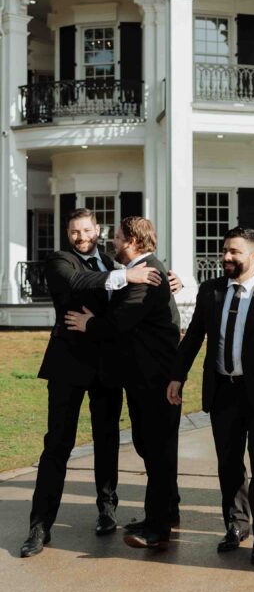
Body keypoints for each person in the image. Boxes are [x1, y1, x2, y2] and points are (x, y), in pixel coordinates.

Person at [19, 208, 175, 558]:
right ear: (68, 234)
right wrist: (126, 278)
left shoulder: (111, 261)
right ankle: (39, 525)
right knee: (58, 444)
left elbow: (131, 301)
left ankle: (107, 510)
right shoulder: (61, 261)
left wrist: (166, 280)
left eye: (87, 230)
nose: (81, 237)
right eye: (74, 231)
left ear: (98, 230)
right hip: (68, 367)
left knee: (107, 441)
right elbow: (77, 283)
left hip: (108, 368)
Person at [167, 228, 254, 565]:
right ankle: (236, 525)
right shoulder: (211, 291)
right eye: (225, 250)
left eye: (234, 252)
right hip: (223, 392)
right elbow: (194, 336)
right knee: (228, 465)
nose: (226, 257)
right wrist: (177, 376)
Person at [65, 217, 181, 551]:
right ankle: (166, 512)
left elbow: (119, 323)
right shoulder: (147, 271)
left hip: (154, 379)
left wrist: (90, 324)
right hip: (143, 376)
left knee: (157, 451)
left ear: (131, 240)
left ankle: (157, 528)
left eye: (116, 238)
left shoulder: (147, 276)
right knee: (151, 446)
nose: (112, 243)